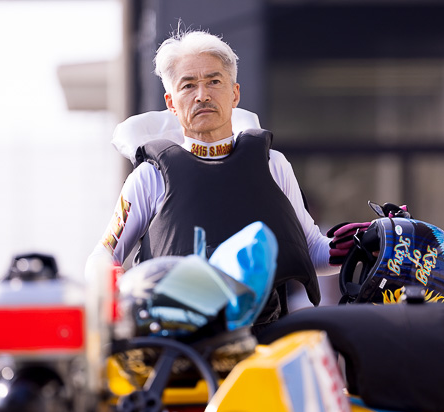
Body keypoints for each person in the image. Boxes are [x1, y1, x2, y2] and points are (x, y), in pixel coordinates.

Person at [88, 29, 364, 327]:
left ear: (235, 93)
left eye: (214, 81)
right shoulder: (149, 177)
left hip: (262, 336)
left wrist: (362, 244)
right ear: (171, 103)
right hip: (178, 340)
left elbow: (312, 250)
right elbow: (104, 254)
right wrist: (116, 287)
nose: (202, 95)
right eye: (188, 85)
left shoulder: (273, 165)